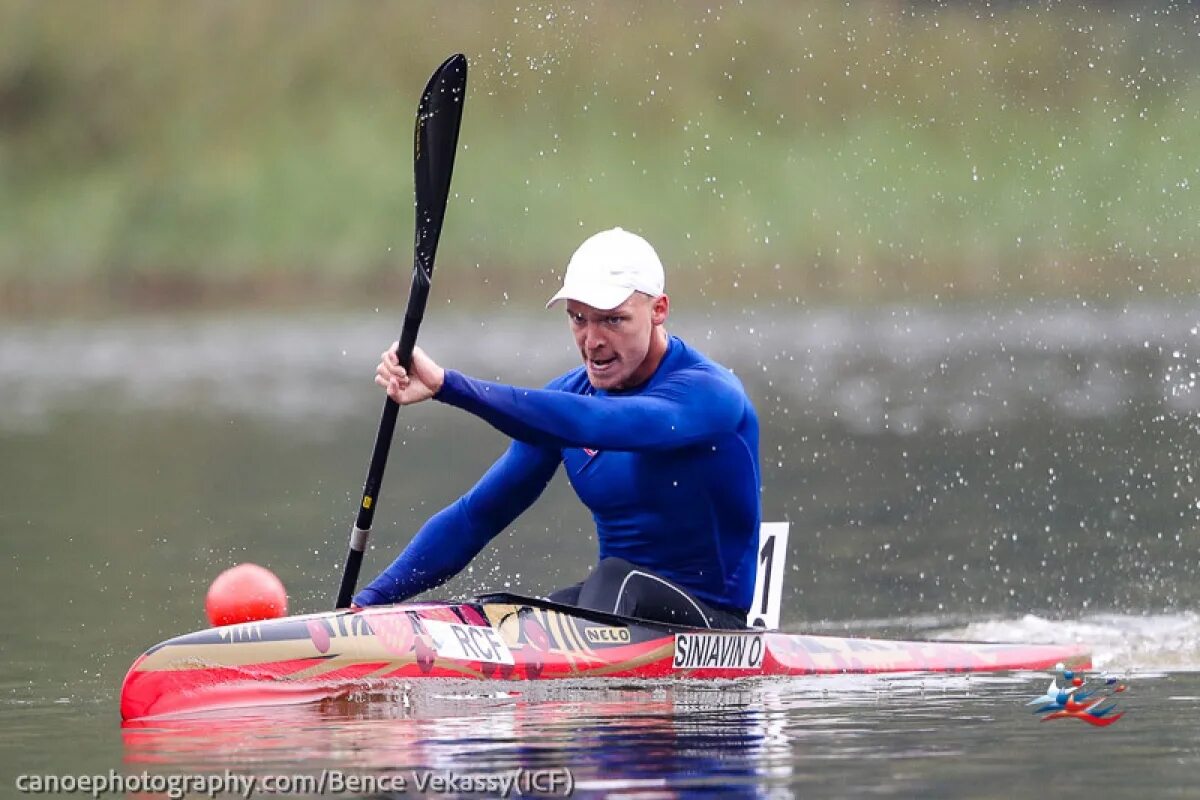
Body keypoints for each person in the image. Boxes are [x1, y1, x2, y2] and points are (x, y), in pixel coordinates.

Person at [353, 227, 761, 629]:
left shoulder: (710, 393)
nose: (592, 340)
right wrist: (365, 605)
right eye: (578, 319)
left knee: (613, 579)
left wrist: (449, 386)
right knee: (503, 615)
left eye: (613, 320)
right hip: (619, 607)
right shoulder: (571, 395)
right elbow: (475, 517)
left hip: (715, 623)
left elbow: (602, 423)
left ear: (659, 310)